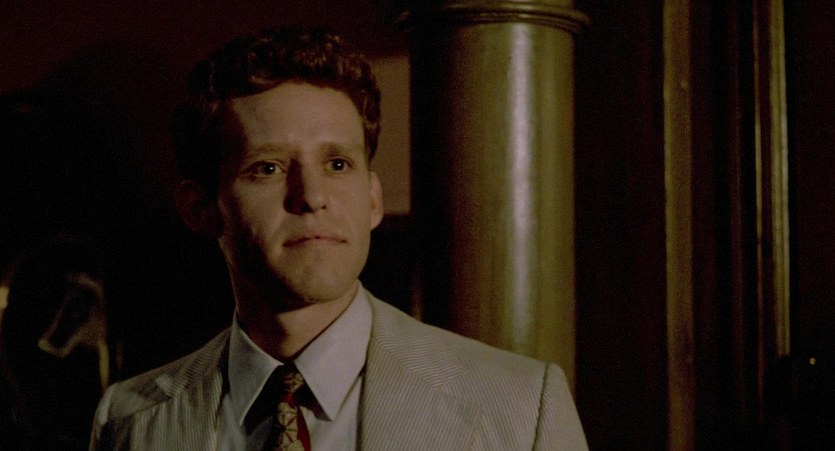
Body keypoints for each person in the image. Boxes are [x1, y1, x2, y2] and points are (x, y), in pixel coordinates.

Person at [89, 26, 587, 450]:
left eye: (338, 164)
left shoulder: (521, 406)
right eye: (268, 168)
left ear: (372, 198)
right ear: (200, 209)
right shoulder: (130, 419)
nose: (312, 196)